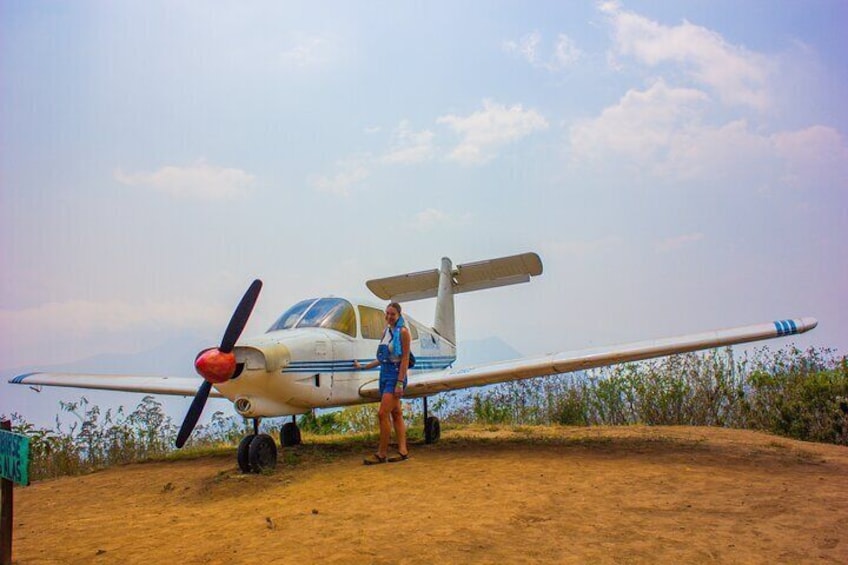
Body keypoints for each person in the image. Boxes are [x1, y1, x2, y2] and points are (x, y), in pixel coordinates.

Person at [354, 302, 410, 464]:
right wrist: (364, 367)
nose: (389, 317)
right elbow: (381, 358)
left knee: (382, 414)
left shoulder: (403, 333)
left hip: (395, 374)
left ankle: (381, 454)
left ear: (399, 315)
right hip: (384, 373)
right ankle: (403, 451)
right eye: (387, 313)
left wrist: (400, 382)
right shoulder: (385, 331)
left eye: (393, 314)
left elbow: (405, 358)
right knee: (396, 413)